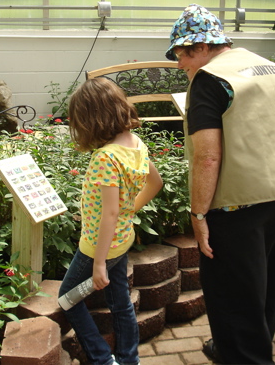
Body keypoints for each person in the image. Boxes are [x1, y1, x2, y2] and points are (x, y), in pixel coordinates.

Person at [166, 4, 275, 364]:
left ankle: (244, 356)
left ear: (202, 47)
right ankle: (235, 349)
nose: (180, 63)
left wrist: (199, 214)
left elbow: (207, 157)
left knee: (233, 298)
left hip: (240, 207)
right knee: (267, 287)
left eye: (182, 54)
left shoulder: (209, 81)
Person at [58, 77, 163, 365]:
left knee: (67, 298)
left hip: (98, 247)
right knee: (121, 304)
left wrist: (99, 262)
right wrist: (130, 211)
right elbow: (156, 183)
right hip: (122, 239)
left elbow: (110, 213)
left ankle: (103, 360)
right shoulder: (135, 144)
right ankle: (130, 360)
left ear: (91, 119)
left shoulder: (105, 157)